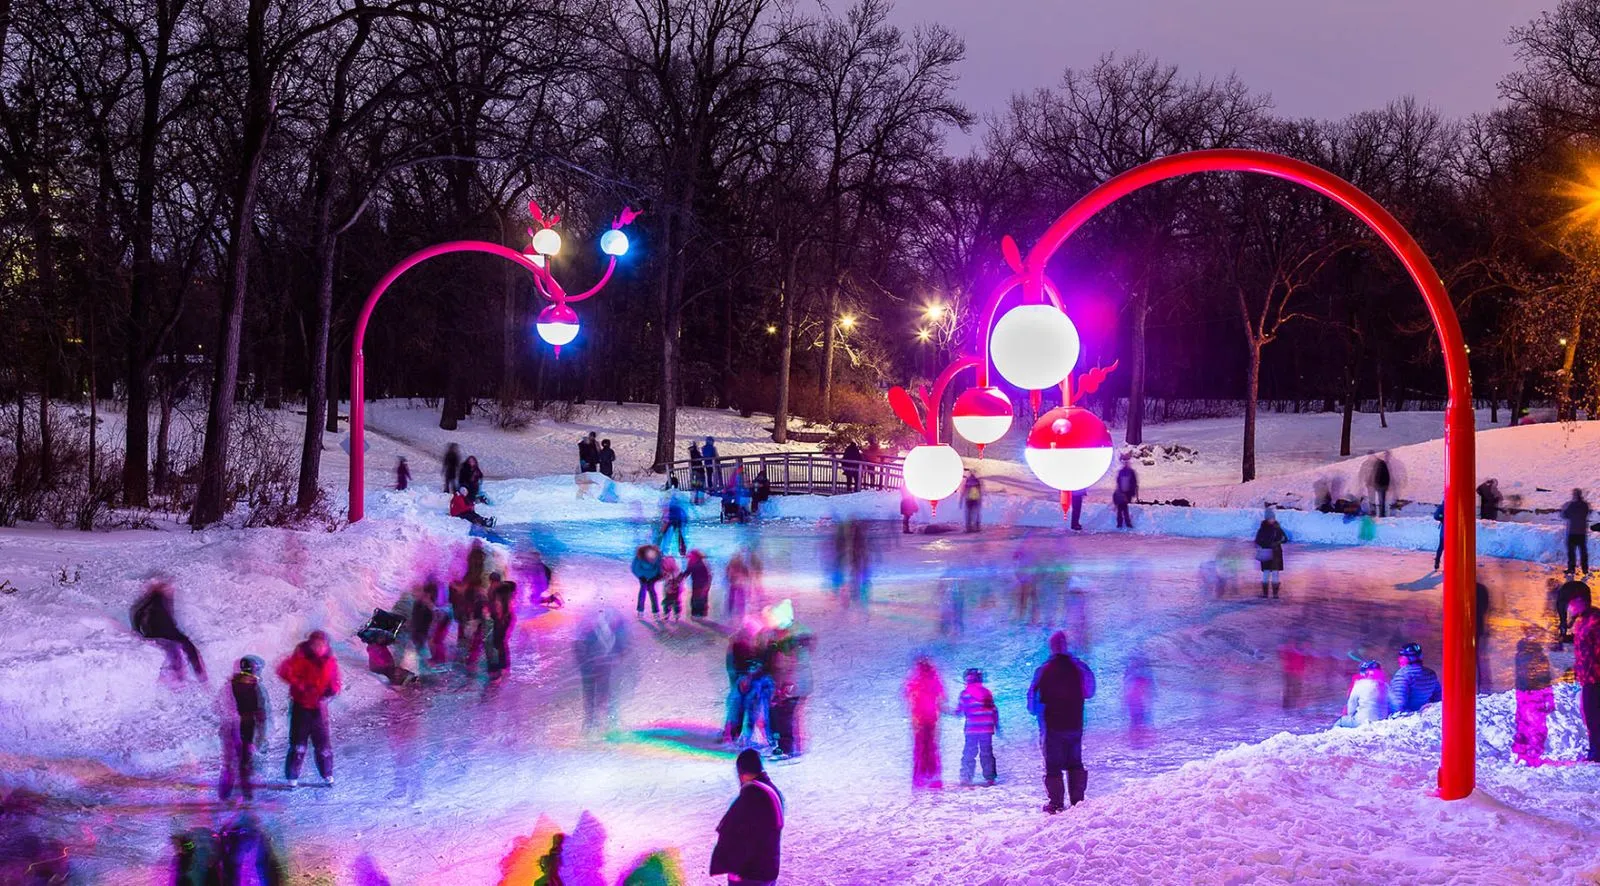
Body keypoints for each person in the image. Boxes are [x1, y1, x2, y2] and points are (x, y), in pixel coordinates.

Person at [1029, 631, 1095, 813]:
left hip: (1053, 724)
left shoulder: (1044, 669)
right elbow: (1090, 691)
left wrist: (1038, 712)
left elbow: (1032, 700)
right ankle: (1077, 801)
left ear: (1052, 646)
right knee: (1075, 762)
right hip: (1075, 722)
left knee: (1053, 765)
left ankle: (1056, 802)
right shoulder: (1078, 666)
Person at [709, 749, 784, 886]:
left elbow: (739, 835)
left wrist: (735, 870)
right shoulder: (770, 790)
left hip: (750, 874)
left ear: (741, 773)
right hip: (767, 869)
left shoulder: (752, 796)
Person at [276, 630, 340, 788]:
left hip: (319, 707)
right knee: (298, 744)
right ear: (310, 644)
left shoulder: (329, 660)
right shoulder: (301, 656)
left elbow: (335, 679)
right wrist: (301, 685)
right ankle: (292, 776)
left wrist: (332, 689)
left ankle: (327, 774)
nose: (319, 648)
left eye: (322, 645)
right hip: (301, 706)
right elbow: (284, 670)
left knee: (323, 745)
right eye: (316, 644)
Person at [131, 578, 207, 682]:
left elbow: (137, 614)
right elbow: (138, 614)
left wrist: (138, 632)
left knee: (180, 649)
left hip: (159, 633)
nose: (171, 591)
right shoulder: (156, 599)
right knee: (185, 647)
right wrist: (138, 631)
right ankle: (197, 676)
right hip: (164, 632)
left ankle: (188, 676)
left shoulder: (152, 602)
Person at [220, 656, 268, 801]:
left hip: (230, 727)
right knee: (244, 761)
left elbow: (218, 707)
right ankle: (247, 793)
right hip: (246, 728)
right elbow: (260, 713)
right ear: (254, 669)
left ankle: (225, 793)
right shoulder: (255, 687)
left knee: (229, 762)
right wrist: (261, 735)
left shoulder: (228, 685)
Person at [574, 607, 628, 735]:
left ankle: (604, 721)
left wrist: (615, 657)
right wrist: (589, 661)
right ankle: (590, 722)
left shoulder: (612, 631)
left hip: (604, 669)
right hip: (589, 669)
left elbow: (619, 647)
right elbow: (579, 649)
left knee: (604, 694)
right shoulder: (588, 633)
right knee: (590, 695)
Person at [903, 656, 947, 789]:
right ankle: (933, 776)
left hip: (920, 719)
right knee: (931, 747)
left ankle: (920, 776)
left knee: (921, 748)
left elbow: (908, 695)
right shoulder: (934, 679)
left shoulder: (914, 681)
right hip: (931, 718)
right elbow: (942, 697)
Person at [953, 668, 999, 786]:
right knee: (987, 752)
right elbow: (993, 710)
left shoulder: (965, 694)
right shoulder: (986, 692)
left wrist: (947, 710)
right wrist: (996, 724)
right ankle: (990, 777)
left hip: (972, 728)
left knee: (969, 752)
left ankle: (966, 777)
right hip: (986, 728)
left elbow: (959, 711)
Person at [1571, 595, 1600, 762]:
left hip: (1595, 676)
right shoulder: (1581, 621)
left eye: (1573, 603)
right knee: (1589, 715)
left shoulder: (1595, 620)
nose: (1571, 608)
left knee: (1594, 715)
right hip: (1587, 676)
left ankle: (1596, 753)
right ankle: (1595, 750)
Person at [1387, 643, 1442, 714]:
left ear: (1405, 658)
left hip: (1406, 720)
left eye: (1401, 657)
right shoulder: (1431, 674)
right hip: (1424, 716)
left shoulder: (1403, 675)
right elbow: (1438, 698)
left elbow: (1398, 705)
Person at [1336, 659, 1389, 727]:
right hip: (1382, 723)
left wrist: (1350, 716)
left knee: (1341, 721)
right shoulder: (1386, 686)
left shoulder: (1359, 684)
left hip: (1363, 723)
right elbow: (1393, 705)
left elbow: (1351, 708)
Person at [486, 573, 516, 678]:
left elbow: (502, 606)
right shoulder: (495, 590)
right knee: (497, 641)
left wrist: (499, 616)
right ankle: (501, 666)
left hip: (504, 618)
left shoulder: (500, 591)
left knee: (500, 642)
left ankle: (503, 667)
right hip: (501, 617)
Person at [1253, 507, 1288, 599]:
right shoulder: (1268, 528)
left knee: (1274, 572)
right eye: (1270, 518)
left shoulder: (1274, 528)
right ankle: (1267, 594)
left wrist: (1275, 543)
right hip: (1270, 553)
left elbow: (1285, 539)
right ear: (1267, 518)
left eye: (1272, 517)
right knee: (1267, 572)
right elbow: (1257, 540)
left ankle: (1274, 594)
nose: (1272, 519)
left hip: (1273, 553)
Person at [1563, 488, 1591, 575]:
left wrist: (1565, 508)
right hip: (1582, 532)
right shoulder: (1585, 505)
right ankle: (1585, 569)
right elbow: (1587, 513)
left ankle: (1571, 569)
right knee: (1583, 551)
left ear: (1575, 495)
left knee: (1571, 552)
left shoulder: (1571, 505)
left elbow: (1565, 515)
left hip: (1573, 532)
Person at [1556, 579, 1591, 646]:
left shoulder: (1563, 597)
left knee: (1563, 617)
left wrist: (1567, 622)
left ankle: (1563, 633)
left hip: (1569, 590)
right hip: (1580, 589)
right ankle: (1565, 632)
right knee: (1584, 614)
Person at [632, 544, 663, 617]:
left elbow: (659, 567)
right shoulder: (639, 556)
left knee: (652, 591)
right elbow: (635, 568)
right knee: (643, 590)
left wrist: (658, 576)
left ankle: (656, 611)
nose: (651, 560)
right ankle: (640, 610)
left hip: (652, 577)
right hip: (643, 577)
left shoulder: (657, 556)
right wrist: (641, 576)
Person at [659, 485, 689, 555]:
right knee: (679, 534)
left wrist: (663, 517)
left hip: (671, 517)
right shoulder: (679, 494)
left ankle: (660, 549)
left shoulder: (667, 496)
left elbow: (664, 508)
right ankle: (682, 551)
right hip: (679, 517)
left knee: (664, 534)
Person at [685, 550, 714, 617]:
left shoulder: (701, 564)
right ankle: (695, 613)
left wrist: (707, 585)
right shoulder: (692, 563)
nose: (690, 557)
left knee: (701, 599)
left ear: (696, 557)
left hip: (702, 584)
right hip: (696, 584)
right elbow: (687, 573)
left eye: (691, 556)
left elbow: (708, 575)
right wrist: (678, 579)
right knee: (695, 599)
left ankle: (701, 613)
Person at [1113, 454, 1138, 529]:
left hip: (1126, 492)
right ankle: (1126, 523)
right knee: (1123, 508)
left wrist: (1133, 492)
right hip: (1123, 492)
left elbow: (1133, 483)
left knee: (1122, 508)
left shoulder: (1128, 472)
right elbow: (1119, 482)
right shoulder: (1125, 472)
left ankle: (1121, 523)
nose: (1126, 464)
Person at [659, 556, 685, 622]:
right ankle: (671, 614)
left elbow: (681, 579)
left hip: (673, 589)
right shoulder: (668, 571)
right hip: (669, 589)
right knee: (670, 602)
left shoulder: (675, 571)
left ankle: (674, 614)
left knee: (673, 602)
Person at [1370, 452, 1392, 517]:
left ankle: (1381, 514)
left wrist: (1375, 484)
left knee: (1380, 501)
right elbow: (1387, 477)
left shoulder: (1379, 466)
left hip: (1380, 486)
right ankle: (1381, 514)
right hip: (1382, 486)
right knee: (1382, 501)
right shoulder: (1383, 466)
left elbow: (1377, 477)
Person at [1433, 501, 1445, 571]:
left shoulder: (1442, 506)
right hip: (1453, 532)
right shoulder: (1456, 504)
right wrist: (1443, 516)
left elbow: (1436, 516)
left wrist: (1442, 517)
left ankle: (1437, 562)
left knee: (1441, 547)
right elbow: (1437, 516)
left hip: (1444, 532)